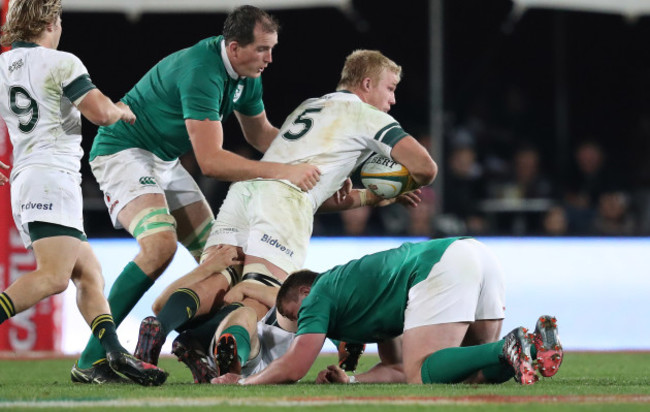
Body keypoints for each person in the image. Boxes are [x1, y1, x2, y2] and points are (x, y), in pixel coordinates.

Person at [132, 49, 437, 367]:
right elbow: (426, 168)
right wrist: (404, 184)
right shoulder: (370, 117)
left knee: (220, 279)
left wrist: (371, 197)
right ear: (367, 83)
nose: (393, 100)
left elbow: (314, 193)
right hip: (284, 203)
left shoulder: (311, 106)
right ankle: (205, 342)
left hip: (248, 190)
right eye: (390, 88)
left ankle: (161, 327)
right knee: (258, 297)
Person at [73, 5, 322, 382]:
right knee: (160, 247)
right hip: (123, 151)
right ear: (234, 47)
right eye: (262, 49)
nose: (270, 58)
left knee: (226, 260)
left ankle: (193, 341)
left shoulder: (244, 73)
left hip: (164, 161)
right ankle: (92, 359)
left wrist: (320, 166)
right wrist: (286, 172)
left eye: (272, 49)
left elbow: (260, 135)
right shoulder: (202, 71)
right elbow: (211, 162)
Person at [0, 0, 166, 386]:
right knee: (54, 277)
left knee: (87, 272)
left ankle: (106, 356)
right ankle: (107, 355)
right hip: (52, 178)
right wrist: (121, 110)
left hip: (29, 179)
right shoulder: (62, 62)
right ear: (49, 21)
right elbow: (99, 113)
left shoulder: (4, 64)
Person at [210, 238, 564, 385]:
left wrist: (243, 381)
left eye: (297, 316)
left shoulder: (319, 292)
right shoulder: (361, 304)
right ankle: (531, 346)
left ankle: (506, 346)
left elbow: (296, 365)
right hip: (479, 256)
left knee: (424, 371)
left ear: (304, 291)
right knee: (467, 374)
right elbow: (395, 366)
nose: (305, 325)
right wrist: (351, 381)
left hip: (440, 264)